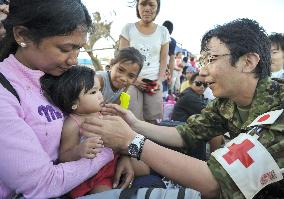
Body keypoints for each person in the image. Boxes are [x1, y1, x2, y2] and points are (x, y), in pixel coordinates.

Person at [82, 18, 284, 199]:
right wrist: (134, 124)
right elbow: (186, 133)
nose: (202, 72)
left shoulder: (279, 110)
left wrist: (131, 141)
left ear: (247, 62)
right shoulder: (227, 102)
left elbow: (214, 183)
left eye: (211, 60)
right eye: (203, 61)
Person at [0, 1, 132, 198]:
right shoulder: (5, 93)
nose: (73, 60)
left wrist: (125, 155)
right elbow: (42, 183)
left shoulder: (56, 77)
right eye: (65, 49)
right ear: (22, 35)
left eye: (78, 49)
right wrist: (109, 153)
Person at [40, 66, 118, 198]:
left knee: (142, 165)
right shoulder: (72, 124)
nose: (100, 95)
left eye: (99, 90)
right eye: (93, 92)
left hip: (111, 162)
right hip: (92, 175)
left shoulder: (100, 112)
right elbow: (64, 156)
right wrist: (78, 150)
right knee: (104, 193)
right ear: (73, 103)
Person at [119, 0, 170, 123]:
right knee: (130, 119)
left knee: (153, 120)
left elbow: (163, 59)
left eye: (151, 4)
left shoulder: (163, 31)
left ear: (157, 8)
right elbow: (122, 58)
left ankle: (150, 143)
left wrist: (159, 80)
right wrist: (134, 79)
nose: (147, 8)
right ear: (137, 6)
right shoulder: (128, 28)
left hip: (153, 83)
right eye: (143, 4)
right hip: (131, 81)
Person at [162, 20, 177, 94]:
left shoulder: (154, 36)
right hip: (163, 70)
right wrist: (170, 76)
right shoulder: (172, 41)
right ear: (171, 31)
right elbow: (172, 60)